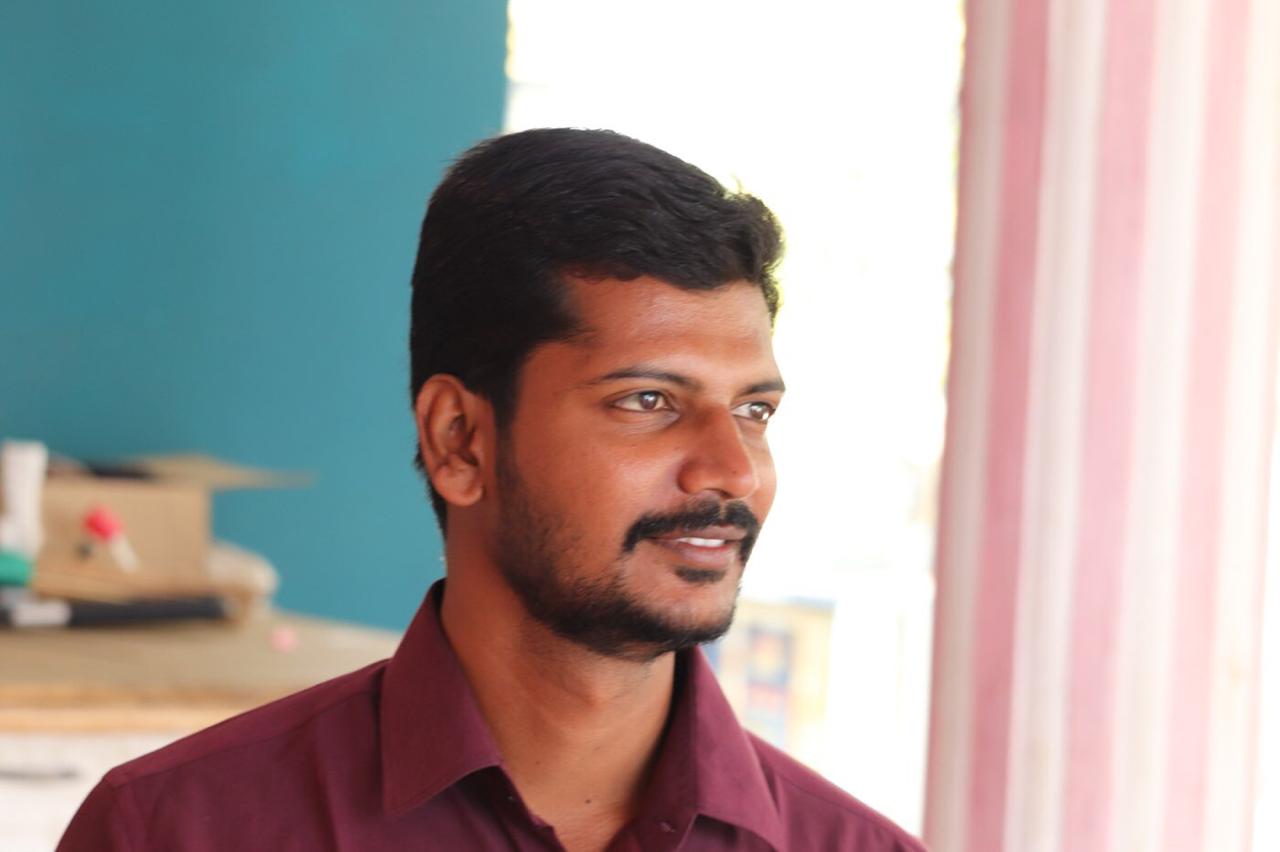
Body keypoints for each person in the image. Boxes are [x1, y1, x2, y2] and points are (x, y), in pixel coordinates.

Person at [59, 128, 926, 851]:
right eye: (648, 401)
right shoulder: (174, 832)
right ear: (460, 441)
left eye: (753, 410)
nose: (732, 471)